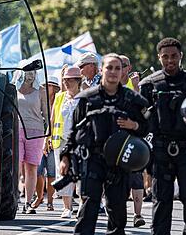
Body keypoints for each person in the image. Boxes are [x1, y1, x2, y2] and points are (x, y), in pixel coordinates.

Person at [59, 53, 149, 235]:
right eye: (109, 67)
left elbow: (147, 126)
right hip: (93, 160)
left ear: (123, 71)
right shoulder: (88, 99)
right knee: (88, 207)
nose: (114, 72)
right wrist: (65, 157)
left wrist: (134, 125)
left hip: (119, 162)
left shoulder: (131, 99)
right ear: (101, 70)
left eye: (118, 68)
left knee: (117, 212)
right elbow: (74, 131)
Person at [139, 38, 186, 235]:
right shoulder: (149, 85)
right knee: (161, 200)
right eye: (165, 56)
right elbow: (143, 123)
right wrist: (145, 155)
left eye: (174, 56)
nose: (170, 60)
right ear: (159, 58)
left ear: (181, 56)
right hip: (160, 151)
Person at [15, 69, 49, 214]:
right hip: (17, 129)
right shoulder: (14, 89)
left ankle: (28, 202)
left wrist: (49, 134)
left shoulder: (41, 90)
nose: (30, 74)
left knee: (31, 167)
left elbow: (47, 113)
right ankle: (13, 197)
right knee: (16, 166)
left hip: (36, 131)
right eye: (27, 71)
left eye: (33, 72)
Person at [52, 65, 82, 219]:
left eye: (70, 80)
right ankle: (67, 208)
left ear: (78, 80)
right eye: (65, 80)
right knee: (63, 174)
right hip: (62, 142)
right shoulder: (60, 97)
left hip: (80, 142)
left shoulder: (85, 97)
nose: (66, 83)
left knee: (81, 174)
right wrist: (47, 140)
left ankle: (83, 206)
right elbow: (53, 119)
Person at [119, 54, 146, 227]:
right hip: (115, 140)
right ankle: (117, 214)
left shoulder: (136, 85)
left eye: (123, 65)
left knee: (136, 177)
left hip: (133, 139)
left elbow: (141, 110)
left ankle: (138, 214)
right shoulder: (109, 85)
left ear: (129, 68)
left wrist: (136, 87)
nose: (119, 68)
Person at [33, 77, 59, 211]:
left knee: (51, 173)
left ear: (54, 88)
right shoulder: (39, 100)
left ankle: (50, 201)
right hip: (39, 139)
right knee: (38, 171)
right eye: (46, 85)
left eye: (50, 86)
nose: (46, 88)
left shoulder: (59, 101)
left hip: (53, 140)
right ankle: (39, 196)